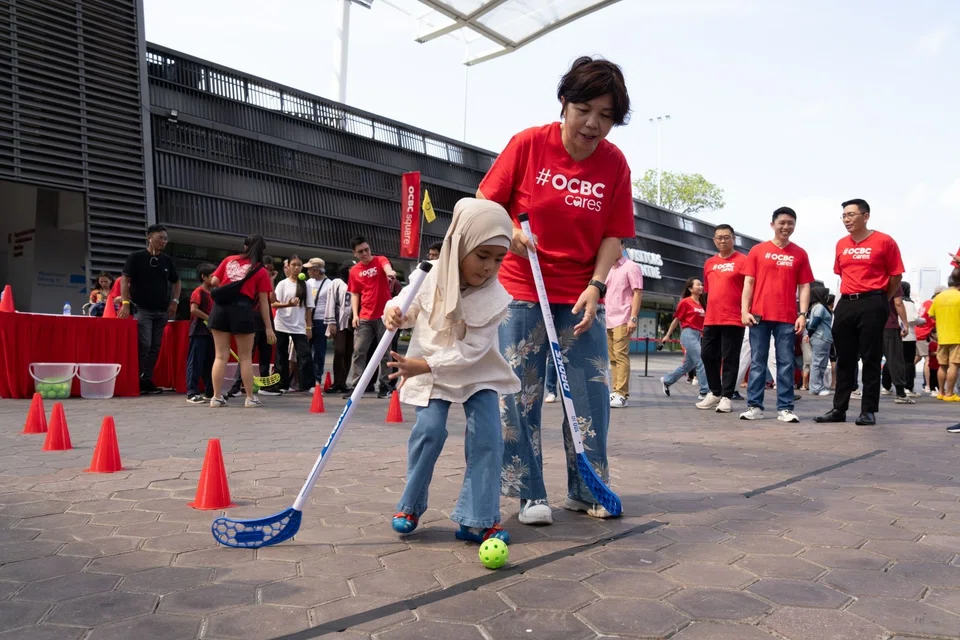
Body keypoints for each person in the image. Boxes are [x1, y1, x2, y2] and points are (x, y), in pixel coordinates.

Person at [479, 55, 634, 525]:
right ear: (564, 103)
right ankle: (529, 492)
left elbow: (614, 233)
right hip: (523, 287)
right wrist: (512, 231)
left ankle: (588, 488)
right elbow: (487, 201)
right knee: (520, 393)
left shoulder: (614, 163)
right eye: (585, 109)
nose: (593, 124)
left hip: (581, 294)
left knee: (588, 394)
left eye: (606, 116)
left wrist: (597, 284)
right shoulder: (528, 145)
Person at [385, 198, 519, 543]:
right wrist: (394, 313)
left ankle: (478, 518)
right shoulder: (427, 275)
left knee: (488, 437)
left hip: (476, 371)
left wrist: (423, 365)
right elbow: (406, 304)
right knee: (428, 432)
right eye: (482, 255)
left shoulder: (497, 298)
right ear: (459, 244)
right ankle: (410, 506)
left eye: (499, 259)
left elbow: (472, 350)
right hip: (428, 368)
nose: (489, 267)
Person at [816, 199, 904, 426]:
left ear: (866, 216)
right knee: (844, 357)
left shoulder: (885, 241)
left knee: (871, 357)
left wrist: (882, 298)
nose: (847, 219)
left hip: (873, 301)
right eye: (844, 215)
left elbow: (896, 275)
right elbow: (841, 274)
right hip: (846, 303)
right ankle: (839, 408)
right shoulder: (841, 244)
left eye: (852, 215)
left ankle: (868, 410)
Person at [740, 207, 814, 423]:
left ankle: (785, 408)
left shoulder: (800, 253)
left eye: (790, 223)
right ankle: (755, 406)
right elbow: (748, 282)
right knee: (758, 361)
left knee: (786, 362)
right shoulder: (757, 250)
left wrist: (803, 314)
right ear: (772, 224)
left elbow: (805, 286)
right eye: (782, 222)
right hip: (759, 316)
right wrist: (744, 310)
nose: (786, 227)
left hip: (787, 317)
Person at [208, 234, 276, 408]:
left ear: (245, 247)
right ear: (263, 251)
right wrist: (268, 328)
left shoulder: (229, 260)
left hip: (220, 308)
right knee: (245, 357)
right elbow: (263, 302)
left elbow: (214, 281)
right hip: (242, 309)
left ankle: (216, 397)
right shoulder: (261, 271)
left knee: (220, 355)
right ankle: (250, 398)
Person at [119, 224, 181, 395]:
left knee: (155, 347)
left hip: (161, 311)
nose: (163, 241)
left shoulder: (167, 260)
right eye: (160, 237)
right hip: (142, 309)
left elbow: (177, 281)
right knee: (144, 344)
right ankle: (137, 378)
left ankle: (146, 379)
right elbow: (125, 279)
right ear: (149, 237)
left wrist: (174, 301)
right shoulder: (136, 257)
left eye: (166, 239)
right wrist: (125, 303)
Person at [698, 224, 747, 413]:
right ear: (714, 240)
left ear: (733, 238)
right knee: (707, 355)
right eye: (719, 237)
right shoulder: (709, 263)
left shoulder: (743, 260)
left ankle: (727, 396)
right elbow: (708, 292)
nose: (723, 241)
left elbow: (749, 288)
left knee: (730, 358)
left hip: (734, 318)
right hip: (711, 317)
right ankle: (715, 392)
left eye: (726, 237)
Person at [346, 235, 397, 399]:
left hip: (384, 315)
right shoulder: (354, 271)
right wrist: (355, 314)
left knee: (385, 352)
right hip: (365, 316)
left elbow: (386, 266)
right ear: (355, 254)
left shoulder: (380, 260)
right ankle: (356, 386)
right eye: (360, 252)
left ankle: (385, 386)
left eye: (367, 250)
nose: (365, 253)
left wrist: (390, 273)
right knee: (358, 351)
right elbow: (355, 293)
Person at [605, 240, 643, 408]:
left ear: (622, 247)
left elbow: (637, 293)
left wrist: (633, 317)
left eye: (616, 245)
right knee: (612, 357)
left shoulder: (631, 266)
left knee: (621, 355)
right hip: (607, 318)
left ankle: (622, 393)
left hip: (623, 318)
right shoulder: (606, 268)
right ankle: (615, 391)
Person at [271, 255, 314, 393]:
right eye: (293, 264)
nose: (296, 267)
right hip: (281, 323)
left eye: (299, 265)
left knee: (305, 354)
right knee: (281, 355)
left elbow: (308, 307)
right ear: (288, 266)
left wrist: (308, 326)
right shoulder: (282, 284)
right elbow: (273, 303)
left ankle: (306, 385)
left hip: (299, 325)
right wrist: (287, 304)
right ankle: (281, 385)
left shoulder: (306, 285)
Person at [660, 278, 708, 398]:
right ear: (690, 289)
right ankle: (704, 392)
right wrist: (667, 335)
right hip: (688, 334)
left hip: (698, 335)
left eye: (701, 284)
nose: (701, 286)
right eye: (698, 285)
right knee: (701, 361)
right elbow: (676, 320)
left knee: (688, 366)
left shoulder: (702, 304)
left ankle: (667, 380)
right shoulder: (685, 302)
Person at [878, 283, 914, 403]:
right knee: (895, 359)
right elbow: (898, 303)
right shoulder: (893, 282)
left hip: (870, 325)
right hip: (889, 325)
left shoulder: (870, 281)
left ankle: (870, 393)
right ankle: (900, 394)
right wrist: (905, 323)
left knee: (871, 359)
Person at [186, 264, 216, 403]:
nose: (216, 278)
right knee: (195, 362)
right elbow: (193, 309)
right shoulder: (199, 292)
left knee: (210, 363)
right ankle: (192, 392)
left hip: (211, 333)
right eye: (212, 276)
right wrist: (209, 319)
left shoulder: (214, 293)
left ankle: (210, 391)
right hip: (198, 332)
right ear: (204, 277)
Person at [930, 268, 960, 402]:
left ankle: (941, 392)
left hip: (941, 336)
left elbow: (931, 315)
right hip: (957, 336)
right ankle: (949, 393)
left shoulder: (939, 297)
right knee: (954, 364)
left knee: (942, 365)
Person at [325, 265, 354, 395]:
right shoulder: (336, 282)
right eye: (351, 268)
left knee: (348, 352)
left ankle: (343, 382)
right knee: (339, 351)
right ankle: (336, 382)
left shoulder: (356, 282)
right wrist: (331, 322)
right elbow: (330, 301)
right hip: (339, 320)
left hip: (352, 321)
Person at [305, 258, 331, 387]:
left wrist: (332, 324)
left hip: (321, 321)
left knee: (319, 352)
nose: (308, 271)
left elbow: (332, 306)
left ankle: (317, 378)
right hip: (308, 320)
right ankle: (305, 378)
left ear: (317, 270)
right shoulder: (308, 283)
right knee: (305, 351)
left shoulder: (329, 284)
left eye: (310, 269)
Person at [806, 286, 833, 396]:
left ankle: (818, 385)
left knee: (821, 363)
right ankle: (816, 387)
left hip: (823, 338)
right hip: (820, 337)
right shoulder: (820, 307)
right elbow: (815, 322)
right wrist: (809, 334)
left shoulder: (817, 307)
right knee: (818, 363)